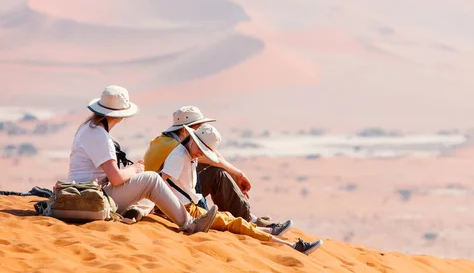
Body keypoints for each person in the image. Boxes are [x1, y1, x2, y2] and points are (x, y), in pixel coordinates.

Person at [66, 85, 218, 234]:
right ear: (121, 115)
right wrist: (135, 169)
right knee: (152, 179)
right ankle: (190, 225)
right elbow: (116, 179)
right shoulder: (99, 135)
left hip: (84, 194)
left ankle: (135, 211)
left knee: (146, 185)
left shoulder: (87, 128)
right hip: (91, 198)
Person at [161, 123, 323, 255]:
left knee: (231, 221)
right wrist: (168, 210)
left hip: (190, 208)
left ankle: (272, 231)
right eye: (200, 150)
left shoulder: (188, 153)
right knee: (234, 223)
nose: (200, 154)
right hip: (185, 211)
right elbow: (160, 182)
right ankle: (291, 246)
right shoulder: (179, 156)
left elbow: (216, 161)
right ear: (193, 139)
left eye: (205, 152)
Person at [144, 106, 272, 227]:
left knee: (209, 171)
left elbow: (213, 154)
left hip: (163, 196)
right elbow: (215, 161)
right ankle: (247, 219)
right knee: (217, 174)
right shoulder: (177, 149)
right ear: (185, 130)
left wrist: (235, 174)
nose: (200, 131)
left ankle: (243, 218)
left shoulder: (164, 140)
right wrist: (239, 175)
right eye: (198, 127)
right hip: (163, 202)